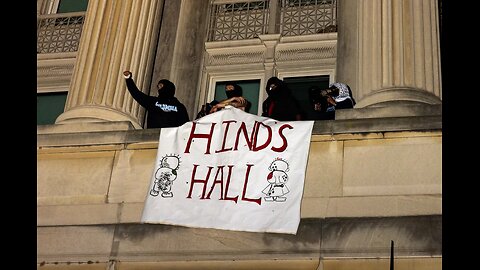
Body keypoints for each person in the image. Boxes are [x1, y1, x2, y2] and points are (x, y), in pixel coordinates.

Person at [123, 70, 189, 128]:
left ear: (167, 87)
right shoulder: (153, 102)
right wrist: (128, 79)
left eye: (161, 86)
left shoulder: (179, 107)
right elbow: (137, 94)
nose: (159, 88)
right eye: (158, 86)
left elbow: (185, 125)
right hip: (153, 137)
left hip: (171, 138)